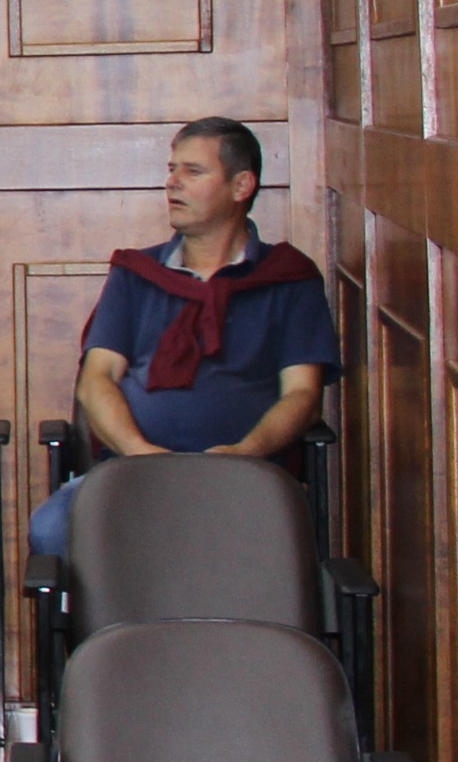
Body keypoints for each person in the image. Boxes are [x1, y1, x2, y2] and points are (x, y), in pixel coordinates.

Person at [29, 116, 341, 559]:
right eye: (171, 170)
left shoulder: (288, 279)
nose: (173, 183)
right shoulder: (137, 274)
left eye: (193, 172)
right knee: (51, 529)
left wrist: (246, 453)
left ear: (241, 185)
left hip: (245, 476)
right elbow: (96, 379)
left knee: (269, 545)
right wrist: (140, 454)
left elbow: (303, 395)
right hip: (135, 470)